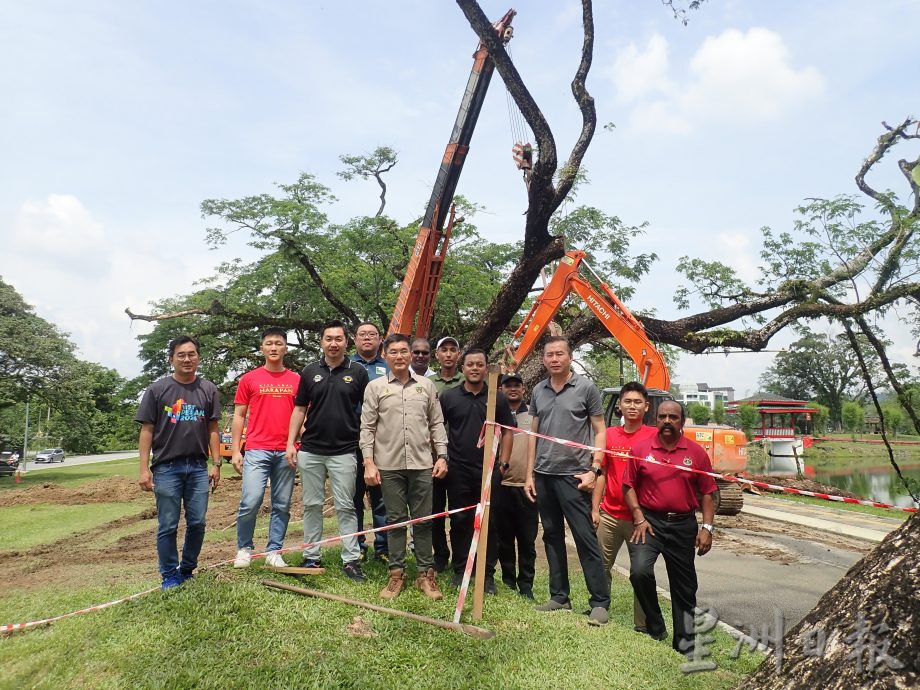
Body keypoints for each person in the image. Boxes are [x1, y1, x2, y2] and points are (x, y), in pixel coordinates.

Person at [524, 335, 610, 626]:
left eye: (560, 354)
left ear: (570, 357)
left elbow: (600, 430)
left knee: (585, 539)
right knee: (551, 536)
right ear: (544, 359)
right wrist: (529, 474)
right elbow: (534, 434)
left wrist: (594, 468)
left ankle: (599, 602)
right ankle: (559, 596)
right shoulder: (538, 390)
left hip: (575, 476)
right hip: (544, 475)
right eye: (550, 355)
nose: (555, 359)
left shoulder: (585, 388)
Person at [359, 333, 448, 601]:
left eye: (403, 351)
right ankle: (396, 574)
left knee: (423, 521)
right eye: (394, 352)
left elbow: (436, 423)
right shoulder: (375, 387)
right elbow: (367, 427)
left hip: (422, 464)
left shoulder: (426, 386)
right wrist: (368, 462)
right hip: (389, 465)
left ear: (411, 355)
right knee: (395, 521)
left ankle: (425, 574)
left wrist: (442, 455)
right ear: (385, 355)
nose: (399, 356)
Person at [623, 399, 717, 652]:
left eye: (673, 417)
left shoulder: (696, 453)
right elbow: (628, 485)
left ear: (682, 421)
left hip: (683, 525)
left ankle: (684, 644)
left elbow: (709, 493)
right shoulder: (641, 449)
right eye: (662, 416)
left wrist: (707, 528)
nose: (667, 421)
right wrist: (638, 516)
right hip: (648, 523)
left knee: (684, 588)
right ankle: (655, 626)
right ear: (655, 420)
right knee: (639, 572)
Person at [286, 319, 369, 582]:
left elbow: (367, 412)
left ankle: (351, 559)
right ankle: (311, 556)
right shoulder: (310, 371)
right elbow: (299, 409)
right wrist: (291, 443)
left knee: (346, 506)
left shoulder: (357, 372)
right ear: (321, 342)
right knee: (311, 505)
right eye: (328, 339)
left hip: (345, 450)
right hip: (311, 450)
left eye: (339, 339)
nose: (333, 343)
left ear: (347, 342)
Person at [136, 336, 221, 590]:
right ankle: (169, 575)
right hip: (166, 468)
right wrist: (143, 469)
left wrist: (216, 464)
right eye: (181, 355)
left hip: (197, 467)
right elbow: (147, 431)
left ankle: (187, 568)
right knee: (168, 524)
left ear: (199, 357)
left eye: (192, 354)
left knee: (197, 522)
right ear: (171, 359)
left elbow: (213, 428)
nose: (187, 359)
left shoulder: (208, 389)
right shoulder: (157, 390)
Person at [439, 349, 514, 592]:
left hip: (489, 470)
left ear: (486, 368)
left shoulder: (497, 398)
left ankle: (487, 574)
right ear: (463, 369)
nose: (474, 368)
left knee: (489, 523)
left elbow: (508, 431)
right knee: (460, 520)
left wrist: (503, 464)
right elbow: (438, 430)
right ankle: (460, 570)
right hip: (458, 470)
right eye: (470, 364)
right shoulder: (449, 397)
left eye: (479, 364)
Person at [232, 328, 301, 569]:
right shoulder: (249, 379)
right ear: (262, 348)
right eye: (269, 343)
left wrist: (297, 445)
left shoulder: (296, 379)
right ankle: (244, 548)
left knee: (282, 504)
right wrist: (236, 450)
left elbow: (303, 415)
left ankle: (274, 550)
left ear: (285, 348)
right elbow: (239, 415)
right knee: (250, 501)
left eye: (278, 343)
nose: (274, 347)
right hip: (256, 449)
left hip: (286, 450)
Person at [591, 381, 657, 632]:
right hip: (609, 514)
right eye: (627, 401)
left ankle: (642, 624)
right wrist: (595, 509)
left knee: (641, 572)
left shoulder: (653, 436)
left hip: (640, 520)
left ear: (646, 406)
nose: (632, 406)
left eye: (637, 402)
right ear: (620, 405)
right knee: (600, 566)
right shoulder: (608, 435)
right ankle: (599, 609)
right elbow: (602, 474)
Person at [496, 372, 538, 599]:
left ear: (523, 389)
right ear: (501, 389)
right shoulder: (496, 414)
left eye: (517, 385)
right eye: (508, 385)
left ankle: (526, 585)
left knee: (527, 539)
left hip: (526, 486)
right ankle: (508, 580)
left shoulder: (533, 416)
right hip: (502, 485)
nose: (512, 389)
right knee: (504, 538)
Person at [351, 321, 390, 562]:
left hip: (382, 443)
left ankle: (383, 549)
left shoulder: (389, 367)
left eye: (372, 335)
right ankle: (356, 547)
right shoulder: (346, 366)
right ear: (354, 339)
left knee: (382, 499)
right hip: (350, 442)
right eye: (362, 335)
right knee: (353, 497)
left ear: (380, 340)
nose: (367, 338)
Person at [428, 335, 464, 572]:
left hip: (461, 457)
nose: (449, 354)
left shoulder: (468, 381)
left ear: (458, 355)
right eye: (444, 350)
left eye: (453, 350)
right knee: (435, 510)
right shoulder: (428, 383)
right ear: (437, 355)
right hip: (433, 457)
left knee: (461, 512)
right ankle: (440, 555)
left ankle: (461, 557)